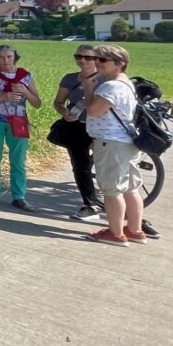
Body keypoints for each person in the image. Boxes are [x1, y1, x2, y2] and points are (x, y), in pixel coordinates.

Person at [83, 44, 150, 246]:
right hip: (126, 141)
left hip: (111, 142)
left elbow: (94, 110)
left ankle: (116, 233)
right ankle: (135, 230)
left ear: (120, 63)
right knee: (130, 188)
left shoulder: (111, 86)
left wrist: (88, 89)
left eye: (103, 60)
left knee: (112, 190)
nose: (97, 63)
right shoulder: (126, 83)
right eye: (96, 59)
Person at [0, 44, 42, 210]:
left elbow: (37, 103)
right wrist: (2, 97)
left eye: (9, 57)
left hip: (19, 121)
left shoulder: (25, 76)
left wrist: (25, 92)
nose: (5, 60)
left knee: (18, 160)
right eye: (1, 57)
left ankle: (19, 196)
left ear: (15, 57)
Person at [54, 44, 103, 222]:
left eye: (88, 57)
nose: (83, 60)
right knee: (80, 167)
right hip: (76, 127)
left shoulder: (105, 79)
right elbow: (58, 102)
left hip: (100, 127)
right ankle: (90, 204)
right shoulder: (70, 79)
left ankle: (120, 204)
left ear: (97, 59)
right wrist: (64, 112)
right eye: (79, 57)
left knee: (105, 165)